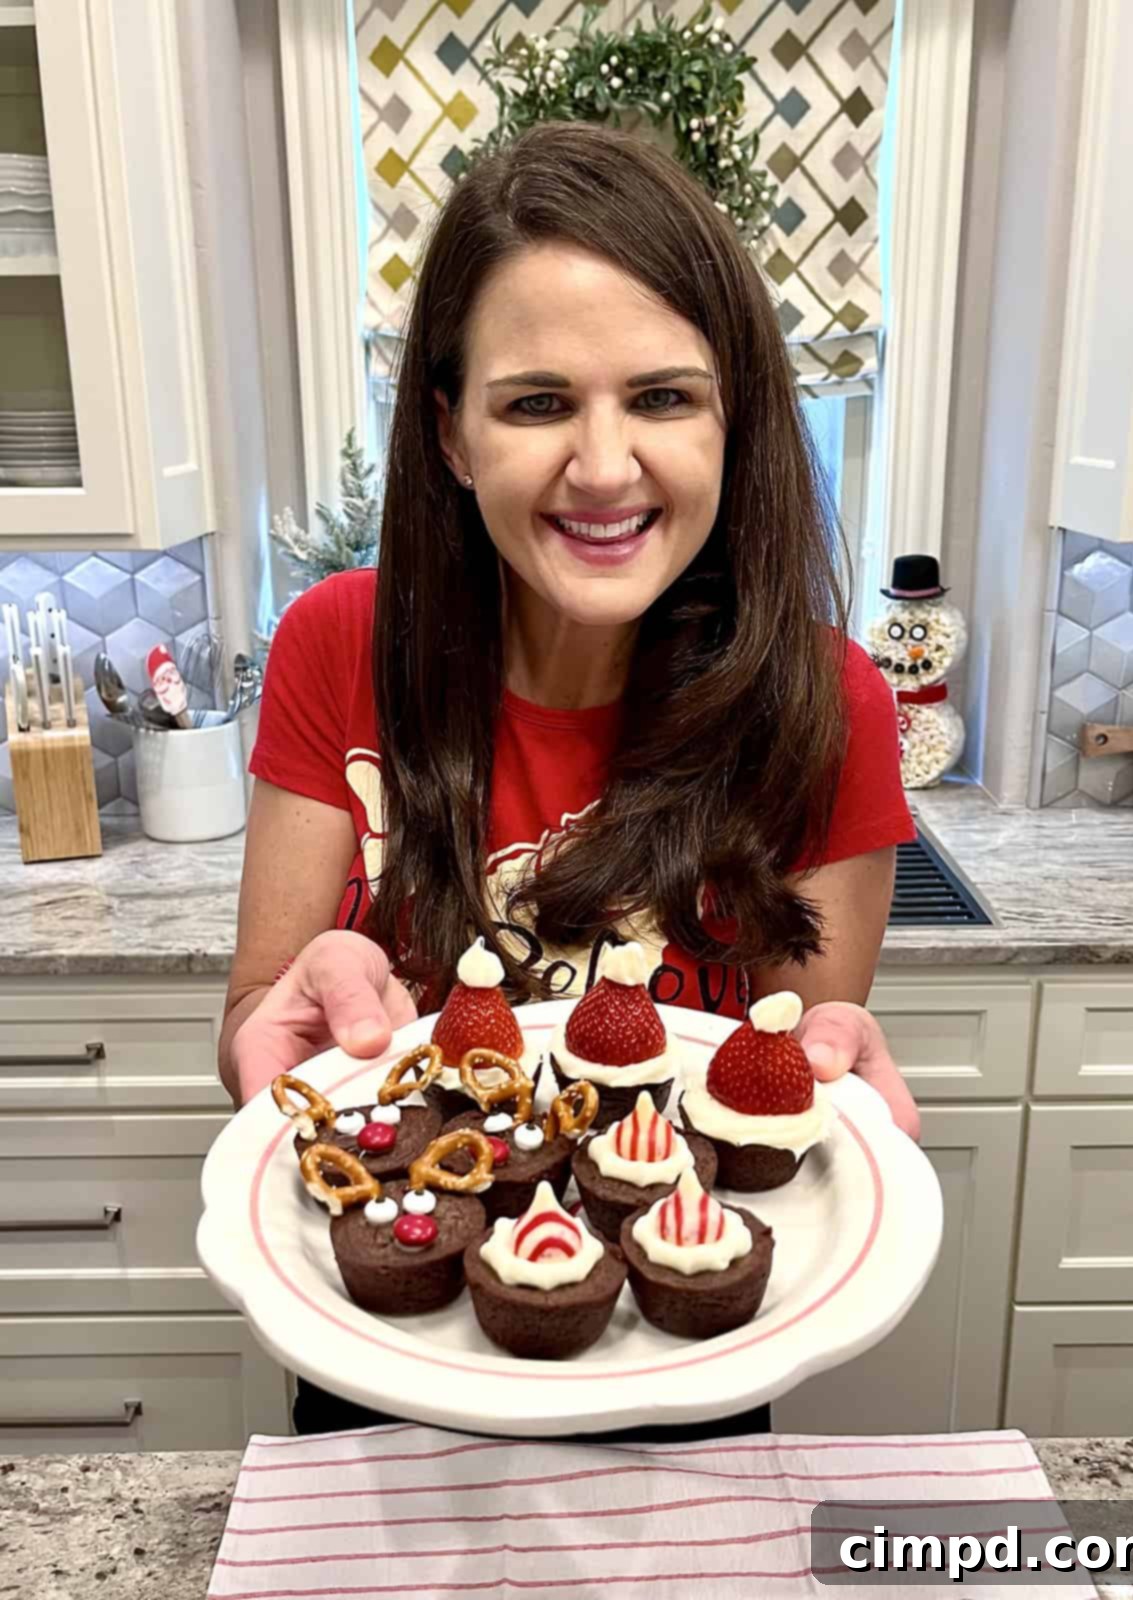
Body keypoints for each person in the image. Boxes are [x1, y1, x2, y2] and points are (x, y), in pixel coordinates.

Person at [220, 121, 919, 1439]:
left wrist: (826, 1079)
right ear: (450, 434)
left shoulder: (832, 710)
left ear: (736, 420)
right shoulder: (338, 647)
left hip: (684, 1339)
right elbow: (261, 1021)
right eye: (537, 402)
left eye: (663, 396)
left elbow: (786, 1085)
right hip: (389, 1334)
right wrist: (273, 1024)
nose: (605, 468)